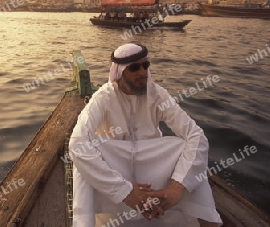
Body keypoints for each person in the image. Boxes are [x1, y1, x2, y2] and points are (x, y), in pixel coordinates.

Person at [69, 43, 222, 227]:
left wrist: (177, 187)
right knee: (84, 156)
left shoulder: (157, 94)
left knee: (187, 147)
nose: (142, 72)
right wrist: (125, 192)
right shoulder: (103, 97)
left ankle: (208, 223)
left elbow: (196, 135)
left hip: (153, 164)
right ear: (120, 72)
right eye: (134, 68)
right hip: (117, 166)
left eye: (145, 65)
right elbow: (76, 143)